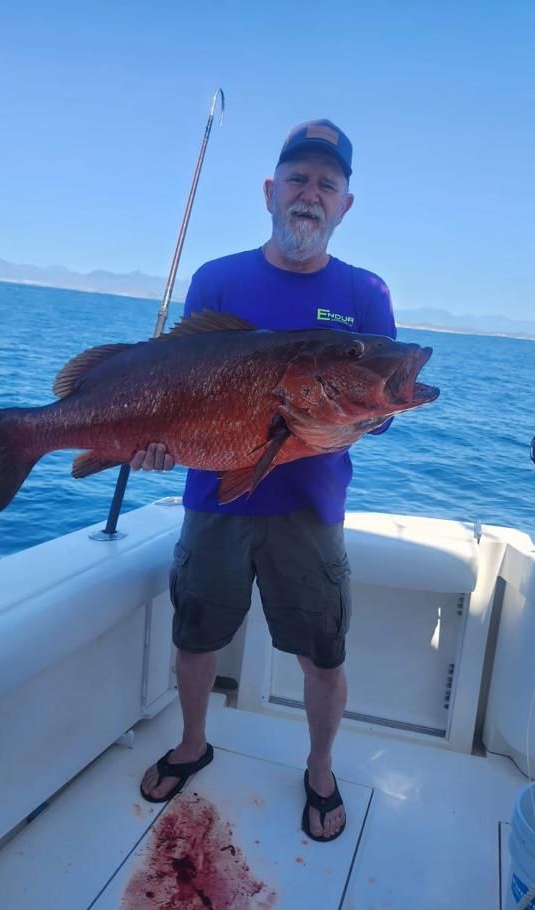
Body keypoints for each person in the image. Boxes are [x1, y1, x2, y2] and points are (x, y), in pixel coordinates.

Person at [135, 118, 397, 842]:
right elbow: (173, 390)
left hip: (310, 511)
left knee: (323, 653)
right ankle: (193, 743)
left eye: (327, 183)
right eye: (297, 179)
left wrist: (369, 417)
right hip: (213, 496)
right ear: (269, 192)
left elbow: (381, 405)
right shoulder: (217, 278)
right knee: (197, 638)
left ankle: (319, 769)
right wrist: (157, 443)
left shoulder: (367, 296)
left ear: (346, 204)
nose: (309, 194)